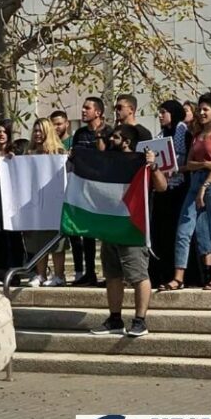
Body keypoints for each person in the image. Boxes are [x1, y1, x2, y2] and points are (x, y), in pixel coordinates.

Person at [91, 125, 167, 337]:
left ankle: (140, 321)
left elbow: (162, 187)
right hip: (111, 228)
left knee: (138, 275)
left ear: (126, 141)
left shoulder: (140, 162)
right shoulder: (109, 162)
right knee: (113, 276)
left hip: (133, 228)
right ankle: (115, 319)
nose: (111, 140)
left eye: (115, 137)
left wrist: (153, 167)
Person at [160, 91, 211, 291]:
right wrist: (204, 164)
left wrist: (204, 186)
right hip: (195, 181)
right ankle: (178, 277)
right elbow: (190, 163)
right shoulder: (197, 136)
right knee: (183, 230)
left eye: (205, 109)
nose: (201, 113)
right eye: (199, 109)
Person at [70, 97, 112, 286]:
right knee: (86, 233)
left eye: (87, 108)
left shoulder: (109, 132)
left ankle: (111, 274)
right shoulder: (79, 133)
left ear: (98, 112)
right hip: (84, 188)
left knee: (107, 234)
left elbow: (107, 157)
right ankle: (89, 272)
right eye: (83, 107)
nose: (83, 111)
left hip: (103, 189)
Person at [148, 100, 190, 287]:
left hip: (180, 189)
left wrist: (175, 168)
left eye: (164, 112)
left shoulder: (184, 132)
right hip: (163, 189)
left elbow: (186, 158)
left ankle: (181, 275)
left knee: (177, 233)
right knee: (161, 234)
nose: (160, 116)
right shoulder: (161, 135)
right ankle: (161, 274)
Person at [23, 118, 68, 287]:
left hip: (54, 204)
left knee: (56, 242)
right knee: (37, 241)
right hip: (35, 205)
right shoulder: (28, 154)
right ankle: (40, 274)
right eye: (35, 130)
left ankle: (59, 275)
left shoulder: (59, 153)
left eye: (40, 131)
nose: (37, 134)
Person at [0, 119, 26, 280]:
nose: (1, 135)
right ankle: (1, 270)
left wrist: (14, 161)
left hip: (12, 202)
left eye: (4, 132)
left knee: (14, 237)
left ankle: (16, 271)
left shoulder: (16, 153)